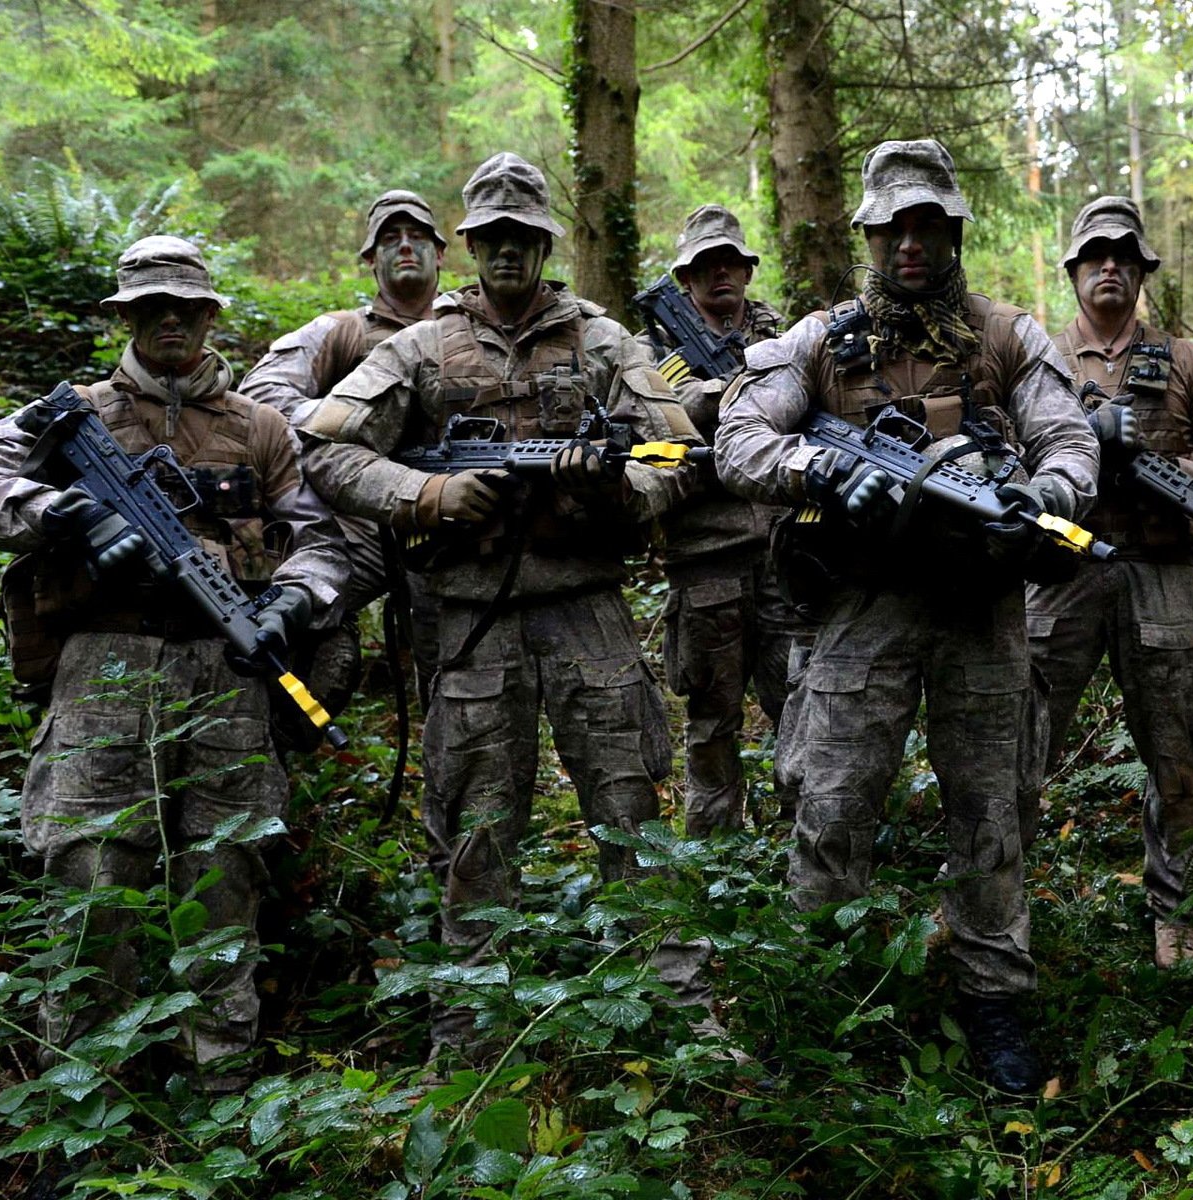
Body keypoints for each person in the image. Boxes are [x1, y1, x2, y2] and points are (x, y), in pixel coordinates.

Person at [292, 152, 703, 1056]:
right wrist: (425, 495)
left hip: (587, 609)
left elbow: (682, 454)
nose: (509, 252)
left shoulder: (602, 342)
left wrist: (619, 489)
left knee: (632, 807)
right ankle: (472, 1037)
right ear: (470, 244)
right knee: (476, 827)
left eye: (525, 236)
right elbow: (320, 449)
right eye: (493, 237)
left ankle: (677, 1019)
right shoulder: (419, 347)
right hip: (471, 620)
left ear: (545, 242)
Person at [714, 138, 1099, 1094]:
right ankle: (823, 993)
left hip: (981, 605)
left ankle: (994, 996)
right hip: (860, 608)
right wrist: (820, 468)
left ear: (953, 230)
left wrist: (1041, 494)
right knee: (833, 804)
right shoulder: (817, 340)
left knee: (994, 807)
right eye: (893, 228)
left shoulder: (1007, 334)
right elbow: (738, 435)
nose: (911, 244)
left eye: (929, 224)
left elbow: (1070, 438)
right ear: (870, 237)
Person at [0, 235, 348, 1087]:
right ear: (123, 316)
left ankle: (219, 1089)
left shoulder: (262, 428)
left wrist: (292, 599)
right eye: (149, 307)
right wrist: (61, 513)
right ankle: (87, 1104)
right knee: (91, 883)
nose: (169, 322)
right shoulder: (71, 414)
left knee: (224, 884)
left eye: (185, 308)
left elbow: (324, 542)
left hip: (226, 677)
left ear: (209, 316)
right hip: (101, 676)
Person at [1026, 197, 1193, 968]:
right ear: (1074, 271)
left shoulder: (1186, 363)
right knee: (1019, 745)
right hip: (1061, 575)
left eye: (1125, 256)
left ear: (1142, 272)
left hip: (1163, 579)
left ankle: (1177, 913)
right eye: (1095, 254)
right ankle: (991, 901)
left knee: (1179, 753)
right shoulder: (1036, 357)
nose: (1110, 266)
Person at [242, 189, 448, 733]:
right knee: (292, 617)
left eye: (418, 237)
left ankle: (458, 798)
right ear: (370, 259)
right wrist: (351, 417)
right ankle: (273, 739)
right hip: (359, 524)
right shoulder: (341, 331)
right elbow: (261, 395)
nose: (405, 247)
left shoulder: (469, 331)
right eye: (389, 238)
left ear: (442, 253)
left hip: (451, 520)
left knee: (458, 678)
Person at [635, 204, 810, 834]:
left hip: (782, 549)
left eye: (730, 263)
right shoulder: (655, 342)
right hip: (706, 555)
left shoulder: (780, 336)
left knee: (797, 701)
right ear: (686, 277)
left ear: (747, 269)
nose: (720, 276)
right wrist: (733, 396)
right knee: (712, 719)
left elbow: (807, 401)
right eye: (706, 266)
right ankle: (714, 855)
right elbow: (659, 415)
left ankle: (801, 838)